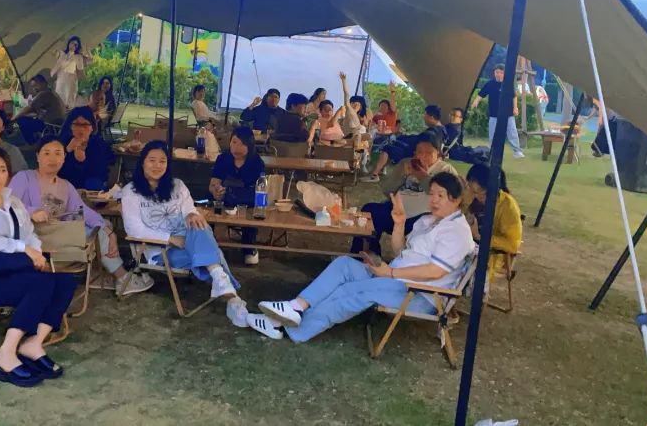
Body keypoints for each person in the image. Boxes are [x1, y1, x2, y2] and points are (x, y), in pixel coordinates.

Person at [248, 172, 475, 342]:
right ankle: (296, 307)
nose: (434, 200)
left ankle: (288, 329)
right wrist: (399, 225)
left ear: (456, 200)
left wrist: (391, 272)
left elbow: (435, 272)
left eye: (441, 195)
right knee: (345, 265)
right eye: (432, 194)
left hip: (418, 294)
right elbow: (401, 252)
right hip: (395, 278)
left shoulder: (457, 232)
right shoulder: (428, 221)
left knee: (350, 291)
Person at [0, 147, 76, 387]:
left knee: (65, 281)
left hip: (12, 271)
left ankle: (33, 344)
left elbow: (29, 234)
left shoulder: (13, 201)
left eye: (2, 170)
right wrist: (23, 249)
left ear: (8, 174)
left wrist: (35, 251)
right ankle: (6, 353)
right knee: (40, 281)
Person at [121, 140, 248, 327]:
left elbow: (190, 209)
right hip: (161, 251)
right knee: (214, 253)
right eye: (152, 160)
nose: (157, 166)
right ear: (142, 163)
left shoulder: (177, 185)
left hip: (189, 239)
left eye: (162, 161)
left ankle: (223, 284)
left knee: (198, 223)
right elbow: (134, 229)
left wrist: (191, 214)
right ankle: (232, 299)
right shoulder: (131, 192)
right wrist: (170, 239)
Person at [10, 136, 154, 297]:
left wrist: (108, 230)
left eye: (58, 153)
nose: (52, 158)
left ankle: (110, 274)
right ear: (38, 156)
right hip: (35, 238)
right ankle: (123, 277)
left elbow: (82, 210)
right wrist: (31, 211)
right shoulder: (24, 177)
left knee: (103, 226)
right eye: (46, 153)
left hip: (57, 236)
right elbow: (9, 203)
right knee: (98, 233)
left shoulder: (66, 185)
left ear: (64, 158)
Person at [354, 133, 458, 254]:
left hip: (423, 219)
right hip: (397, 211)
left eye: (429, 153)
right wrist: (401, 175)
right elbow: (387, 190)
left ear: (438, 153)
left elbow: (447, 200)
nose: (423, 156)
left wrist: (422, 177)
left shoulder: (446, 171)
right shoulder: (407, 163)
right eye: (420, 152)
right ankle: (367, 253)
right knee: (369, 211)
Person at [209, 127, 266, 266]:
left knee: (251, 213)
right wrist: (216, 191)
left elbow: (260, 189)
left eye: (242, 144)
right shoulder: (223, 159)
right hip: (225, 199)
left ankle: (249, 248)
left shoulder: (257, 162)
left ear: (250, 145)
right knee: (209, 209)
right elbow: (213, 183)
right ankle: (208, 245)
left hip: (247, 202)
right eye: (234, 142)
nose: (237, 148)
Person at [363, 104, 447, 183]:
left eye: (425, 115)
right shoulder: (443, 130)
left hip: (415, 155)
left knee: (387, 147)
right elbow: (418, 138)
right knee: (394, 143)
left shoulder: (431, 133)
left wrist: (402, 137)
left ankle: (374, 175)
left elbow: (416, 142)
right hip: (427, 156)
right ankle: (381, 169)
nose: (423, 117)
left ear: (431, 117)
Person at [464, 164, 522, 267]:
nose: (477, 196)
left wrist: (479, 237)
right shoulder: (470, 195)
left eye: (482, 191)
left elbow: (513, 245)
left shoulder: (508, 206)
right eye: (473, 191)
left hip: (488, 257)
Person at [471, 64, 525, 159]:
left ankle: (517, 152)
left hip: (508, 114)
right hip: (494, 114)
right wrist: (475, 102)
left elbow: (514, 96)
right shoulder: (490, 84)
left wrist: (515, 108)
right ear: (494, 73)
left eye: (501, 72)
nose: (498, 74)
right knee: (493, 135)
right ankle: (493, 153)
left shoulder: (508, 84)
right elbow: (481, 94)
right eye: (497, 72)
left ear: (504, 74)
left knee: (512, 133)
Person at [57, 106, 115, 191]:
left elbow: (99, 173)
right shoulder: (62, 143)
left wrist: (82, 162)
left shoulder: (99, 145)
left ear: (92, 128)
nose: (81, 129)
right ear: (70, 126)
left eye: (85, 125)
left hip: (91, 188)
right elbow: (56, 170)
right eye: (76, 124)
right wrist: (67, 151)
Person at [16, 74, 67, 145]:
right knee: (28, 119)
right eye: (32, 87)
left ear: (43, 84)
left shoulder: (44, 94)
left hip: (50, 125)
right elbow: (37, 111)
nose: (34, 88)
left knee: (21, 120)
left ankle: (32, 144)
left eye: (35, 85)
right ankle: (36, 139)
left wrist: (13, 119)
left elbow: (28, 109)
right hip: (58, 124)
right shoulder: (52, 93)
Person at [51, 36, 92, 107]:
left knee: (69, 102)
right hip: (60, 81)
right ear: (69, 43)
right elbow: (54, 52)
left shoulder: (78, 57)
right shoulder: (62, 54)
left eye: (76, 44)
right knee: (58, 101)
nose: (73, 45)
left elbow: (87, 64)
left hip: (70, 82)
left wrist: (87, 51)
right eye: (72, 43)